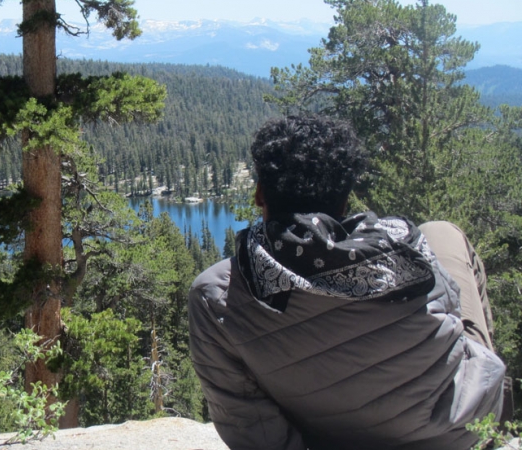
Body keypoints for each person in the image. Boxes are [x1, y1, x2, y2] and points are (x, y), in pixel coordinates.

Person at [188, 115, 507, 450]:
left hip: (334, 436)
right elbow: (450, 318)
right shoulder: (406, 250)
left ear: (260, 194)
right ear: (344, 201)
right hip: (456, 433)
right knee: (443, 232)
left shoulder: (215, 294)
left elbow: (252, 428)